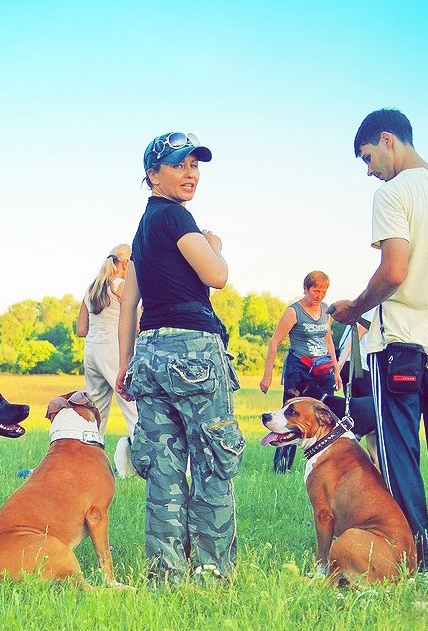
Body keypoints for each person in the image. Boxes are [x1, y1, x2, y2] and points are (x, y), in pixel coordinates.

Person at [330, 109, 428, 571]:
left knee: (400, 455)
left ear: (387, 139)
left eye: (368, 156)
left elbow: (394, 271)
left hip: (398, 344)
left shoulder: (393, 194)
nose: (369, 170)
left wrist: (355, 309)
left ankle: (416, 559)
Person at [115, 131, 244, 582]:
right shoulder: (175, 218)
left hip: (149, 354)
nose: (190, 173)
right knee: (213, 461)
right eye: (178, 165)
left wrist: (125, 363)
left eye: (195, 165)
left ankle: (166, 574)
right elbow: (218, 275)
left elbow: (128, 303)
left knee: (164, 471)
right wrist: (214, 244)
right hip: (193, 350)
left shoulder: (143, 228)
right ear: (153, 174)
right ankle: (211, 573)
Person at [260, 271, 341, 472]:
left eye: (323, 291)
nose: (319, 295)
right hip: (299, 370)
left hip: (322, 370)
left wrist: (337, 370)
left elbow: (328, 340)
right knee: (290, 417)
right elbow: (274, 342)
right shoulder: (293, 312)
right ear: (305, 289)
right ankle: (281, 468)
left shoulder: (325, 311)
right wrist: (267, 375)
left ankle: (324, 464)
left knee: (325, 415)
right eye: (315, 290)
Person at [76, 243, 139, 477]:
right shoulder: (121, 286)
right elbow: (139, 323)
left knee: (95, 414)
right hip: (114, 350)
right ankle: (146, 465)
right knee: (133, 408)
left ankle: (88, 467)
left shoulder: (92, 288)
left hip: (92, 351)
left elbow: (81, 329)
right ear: (125, 264)